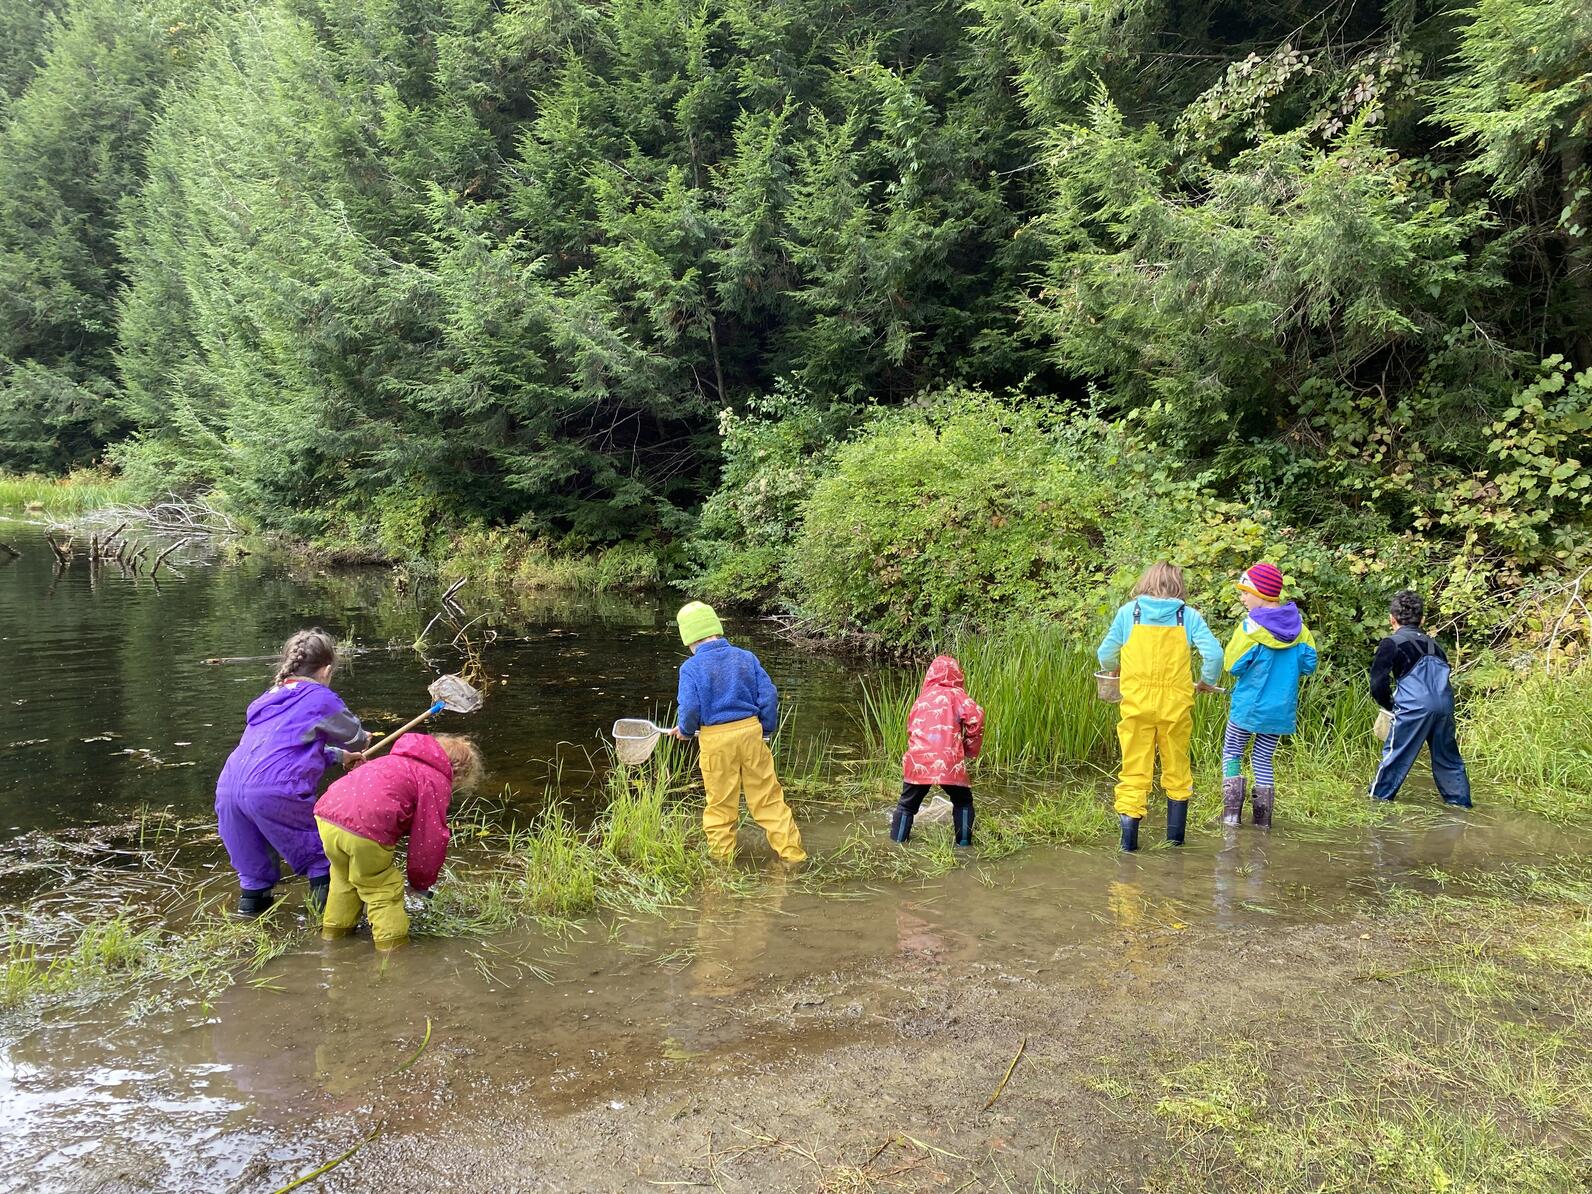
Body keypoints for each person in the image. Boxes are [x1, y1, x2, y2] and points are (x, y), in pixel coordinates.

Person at [215, 629, 369, 917]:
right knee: (322, 857)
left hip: (228, 790)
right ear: (326, 670)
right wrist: (359, 742)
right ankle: (334, 938)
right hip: (273, 791)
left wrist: (338, 757)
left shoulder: (265, 699)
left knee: (254, 874)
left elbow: (282, 751)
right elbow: (356, 737)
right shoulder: (321, 698)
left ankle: (249, 936)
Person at [314, 732, 483, 951]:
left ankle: (334, 936)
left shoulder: (392, 760)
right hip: (365, 828)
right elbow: (429, 839)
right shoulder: (434, 779)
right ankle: (393, 953)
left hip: (326, 815)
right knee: (381, 887)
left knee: (344, 879)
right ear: (458, 772)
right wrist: (420, 882)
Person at [1097, 563, 1223, 851]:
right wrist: (1206, 682)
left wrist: (1113, 669)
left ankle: (1129, 847)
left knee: (1134, 771)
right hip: (1176, 705)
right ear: (1179, 586)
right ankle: (1175, 843)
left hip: (1136, 704)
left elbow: (1104, 652)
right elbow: (1214, 654)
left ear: (1146, 583)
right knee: (1177, 768)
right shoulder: (1188, 616)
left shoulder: (1130, 613)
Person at [669, 601, 807, 863]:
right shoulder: (746, 657)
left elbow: (689, 709)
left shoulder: (691, 668)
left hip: (716, 740)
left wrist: (686, 731)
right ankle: (793, 856)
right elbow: (768, 695)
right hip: (751, 733)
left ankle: (722, 863)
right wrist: (765, 730)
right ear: (716, 629)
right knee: (768, 799)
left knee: (720, 804)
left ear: (688, 639)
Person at [1220, 562, 1318, 828]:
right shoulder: (1300, 629)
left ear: (1261, 594)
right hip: (1280, 710)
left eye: (1245, 592)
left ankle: (1231, 817)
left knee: (1232, 753)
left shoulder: (1250, 628)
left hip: (1247, 708)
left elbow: (1233, 664)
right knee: (1263, 758)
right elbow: (1310, 665)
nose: (1242, 598)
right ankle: (1262, 822)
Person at [1369, 591, 1472, 807]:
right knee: (1449, 760)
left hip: (1414, 707)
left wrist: (1390, 706)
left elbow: (1378, 684)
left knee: (1395, 757)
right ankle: (1460, 805)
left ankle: (1376, 802)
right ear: (1422, 620)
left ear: (1391, 619)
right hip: (1444, 707)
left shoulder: (1391, 643)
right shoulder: (1437, 647)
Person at [890, 655, 985, 848]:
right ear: (957, 675)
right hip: (949, 760)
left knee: (906, 804)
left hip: (919, 759)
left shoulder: (921, 699)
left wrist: (911, 756)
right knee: (963, 801)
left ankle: (897, 847)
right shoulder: (957, 695)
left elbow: (912, 729)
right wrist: (969, 749)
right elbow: (977, 718)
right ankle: (964, 845)